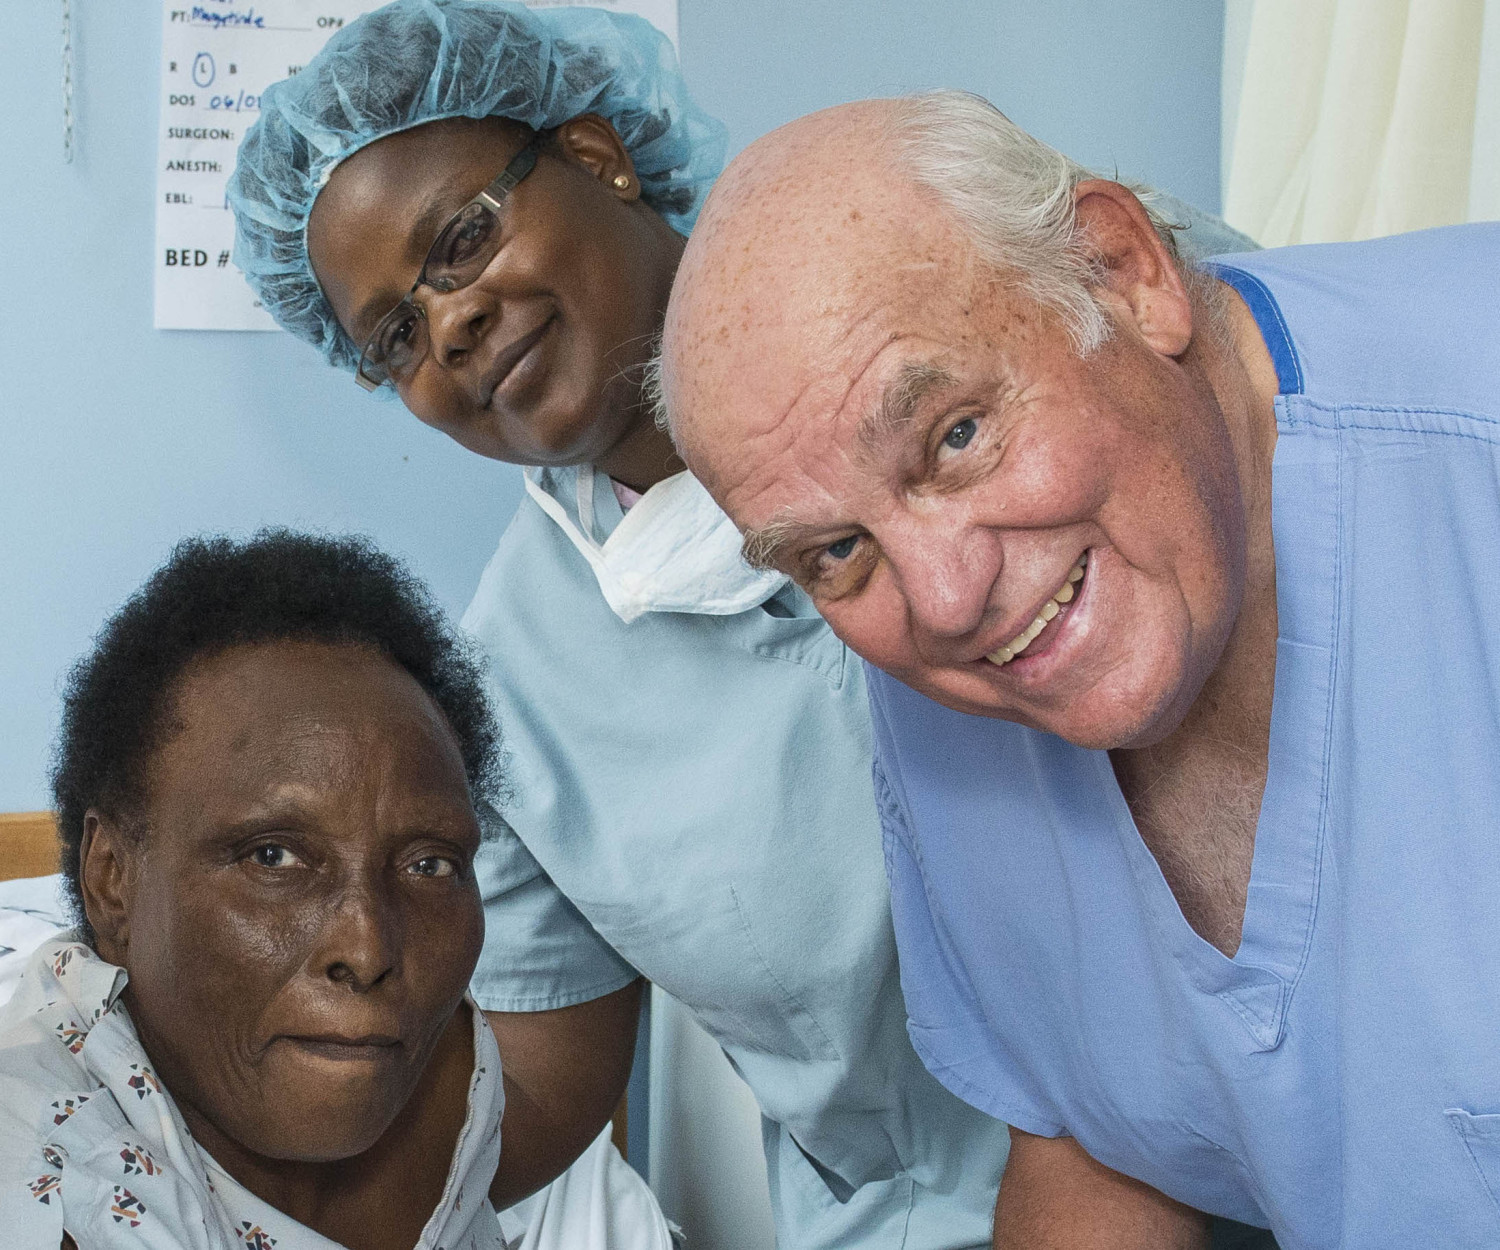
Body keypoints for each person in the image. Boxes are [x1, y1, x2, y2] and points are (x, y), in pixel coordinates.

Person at [229, 7, 1255, 1243]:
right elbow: (546, 1074)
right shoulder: (513, 684)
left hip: (1300, 1139)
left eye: (462, 239)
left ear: (600, 156)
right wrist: (231, 1132)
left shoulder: (973, 275)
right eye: (394, 335)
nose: (447, 323)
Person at [659, 88, 1500, 1248]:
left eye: (955, 435)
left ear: (1123, 271)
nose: (945, 600)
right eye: (836, 551)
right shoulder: (960, 645)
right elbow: (1101, 1133)